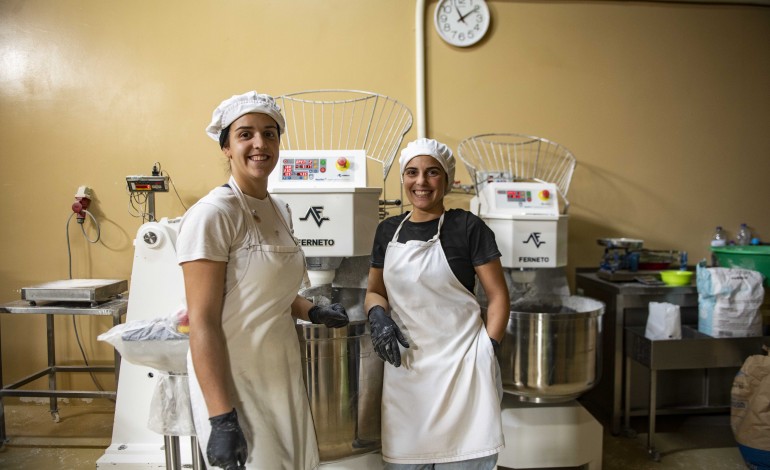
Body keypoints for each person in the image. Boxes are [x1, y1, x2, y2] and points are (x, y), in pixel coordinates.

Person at [176, 91, 349, 470]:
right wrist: (221, 417)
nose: (260, 144)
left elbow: (266, 292)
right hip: (236, 382)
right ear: (226, 147)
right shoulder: (213, 215)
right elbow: (201, 321)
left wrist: (312, 311)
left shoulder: (279, 209)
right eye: (245, 134)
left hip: (281, 374)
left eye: (269, 134)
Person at [364, 137, 509, 469]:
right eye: (412, 172)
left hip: (464, 370)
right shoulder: (388, 231)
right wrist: (377, 314)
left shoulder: (468, 227)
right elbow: (375, 290)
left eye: (432, 173)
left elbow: (498, 295)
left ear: (446, 179)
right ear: (403, 178)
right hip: (408, 372)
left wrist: (489, 347)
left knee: (466, 457)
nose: (421, 182)